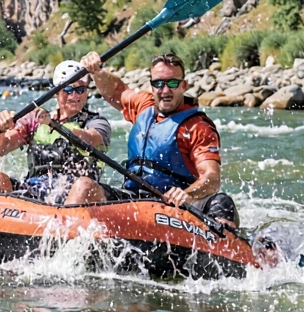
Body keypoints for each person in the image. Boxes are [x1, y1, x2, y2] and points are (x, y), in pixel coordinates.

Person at [71, 50, 239, 227]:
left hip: (174, 209)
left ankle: (227, 240)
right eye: (158, 83)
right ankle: (61, 239)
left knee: (222, 203)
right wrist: (97, 71)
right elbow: (115, 91)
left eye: (172, 83)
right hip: (133, 200)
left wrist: (188, 195)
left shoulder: (198, 127)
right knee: (84, 186)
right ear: (152, 85)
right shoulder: (144, 105)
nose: (165, 90)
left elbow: (211, 177)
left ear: (184, 86)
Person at [0, 59, 112, 204]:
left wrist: (54, 125)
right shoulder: (35, 120)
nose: (75, 96)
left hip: (77, 193)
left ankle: (66, 218)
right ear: (56, 92)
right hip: (37, 190)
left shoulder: (97, 122)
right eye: (68, 89)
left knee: (83, 186)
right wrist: (1, 129)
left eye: (80, 90)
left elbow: (90, 140)